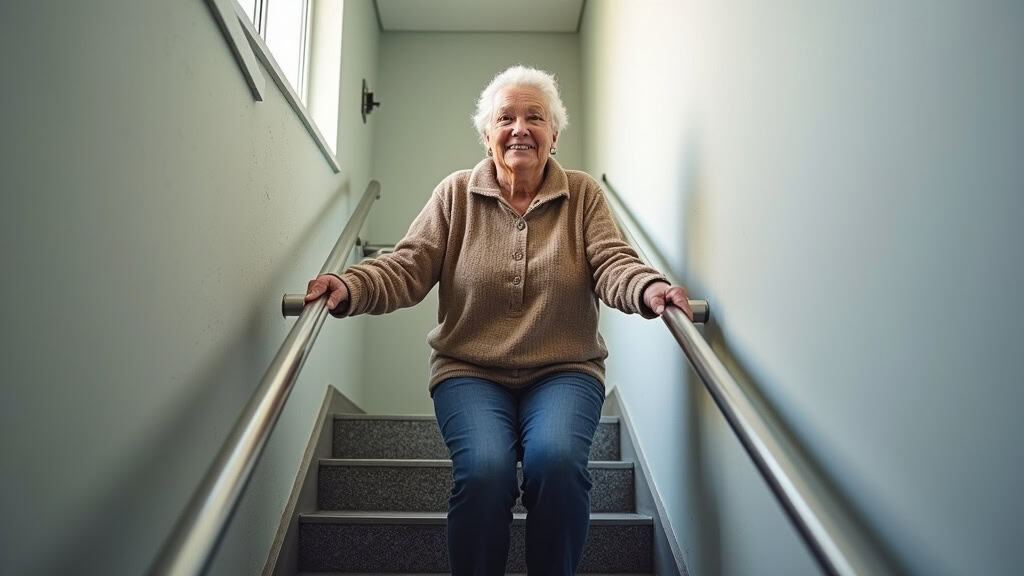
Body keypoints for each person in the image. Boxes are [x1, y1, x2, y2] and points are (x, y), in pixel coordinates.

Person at [304, 65, 693, 575]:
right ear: (487, 135)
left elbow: (612, 261)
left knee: (555, 462)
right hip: (469, 371)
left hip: (565, 370)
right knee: (485, 472)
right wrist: (351, 284)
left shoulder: (583, 197)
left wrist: (648, 287)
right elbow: (407, 265)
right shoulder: (455, 194)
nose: (520, 128)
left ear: (554, 136)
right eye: (505, 117)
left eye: (535, 117)